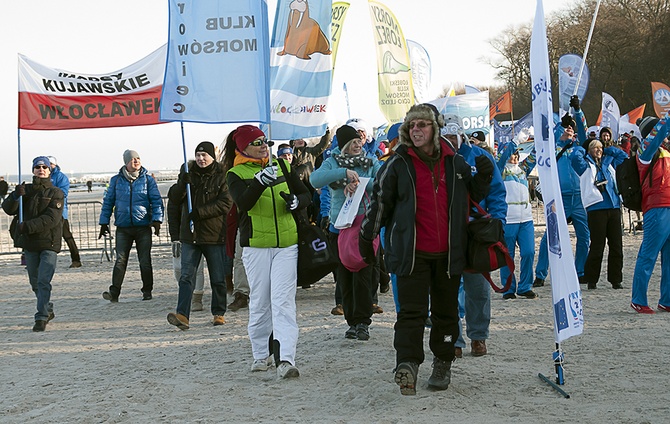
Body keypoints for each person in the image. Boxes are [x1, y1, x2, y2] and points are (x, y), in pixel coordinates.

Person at [359, 104, 493, 395]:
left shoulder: (455, 163)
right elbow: (379, 204)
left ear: (435, 128)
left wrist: (482, 178)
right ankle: (407, 364)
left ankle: (443, 362)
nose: (416, 129)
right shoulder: (397, 164)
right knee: (411, 313)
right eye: (412, 125)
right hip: (410, 254)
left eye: (423, 124)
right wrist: (366, 237)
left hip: (448, 254)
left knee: (446, 314)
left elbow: (472, 198)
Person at [227, 125, 311, 379]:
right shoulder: (235, 173)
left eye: (266, 141)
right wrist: (258, 183)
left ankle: (285, 358)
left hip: (287, 244)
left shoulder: (283, 167)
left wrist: (298, 202)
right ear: (243, 148)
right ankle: (260, 354)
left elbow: (306, 194)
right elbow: (244, 203)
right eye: (257, 142)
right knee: (261, 301)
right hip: (256, 247)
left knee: (283, 301)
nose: (264, 145)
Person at [443, 114, 507, 359]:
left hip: (477, 232)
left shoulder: (481, 156)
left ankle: (479, 336)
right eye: (445, 137)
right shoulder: (436, 160)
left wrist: (497, 221)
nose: (450, 141)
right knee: (447, 290)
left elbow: (497, 191)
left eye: (453, 136)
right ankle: (453, 340)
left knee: (478, 288)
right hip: (447, 232)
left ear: (461, 135)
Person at [311, 124, 382, 341]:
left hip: (364, 226)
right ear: (343, 146)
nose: (358, 146)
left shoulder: (371, 162)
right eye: (353, 144)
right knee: (344, 277)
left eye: (359, 143)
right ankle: (351, 322)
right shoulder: (332, 162)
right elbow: (315, 180)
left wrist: (360, 184)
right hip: (339, 228)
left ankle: (363, 322)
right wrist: (343, 174)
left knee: (363, 275)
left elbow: (382, 183)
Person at [167, 142, 232, 329]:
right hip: (191, 236)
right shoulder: (188, 173)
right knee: (187, 276)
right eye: (198, 155)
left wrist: (200, 212)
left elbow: (225, 203)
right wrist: (182, 183)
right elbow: (174, 197)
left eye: (205, 155)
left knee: (217, 277)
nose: (201, 159)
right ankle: (182, 314)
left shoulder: (222, 176)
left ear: (212, 157)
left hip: (213, 235)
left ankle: (218, 313)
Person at [534, 95, 590, 288]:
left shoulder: (579, 147)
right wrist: (561, 125)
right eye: (567, 127)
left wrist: (578, 110)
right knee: (550, 236)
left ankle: (579, 271)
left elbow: (585, 135)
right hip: (560, 198)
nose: (569, 129)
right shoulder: (553, 147)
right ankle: (541, 274)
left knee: (585, 237)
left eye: (571, 127)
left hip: (579, 199)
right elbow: (548, 138)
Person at [2, 157, 63, 331]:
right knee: (34, 282)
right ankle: (47, 307)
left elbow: (51, 219)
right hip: (30, 243)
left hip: (49, 243)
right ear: (33, 170)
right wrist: (15, 196)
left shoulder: (56, 192)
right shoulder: (25, 190)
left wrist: (27, 226)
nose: (41, 169)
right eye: (38, 166)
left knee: (44, 280)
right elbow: (8, 209)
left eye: (44, 166)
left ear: (50, 171)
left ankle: (41, 317)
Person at [99, 150, 163, 302]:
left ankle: (147, 291)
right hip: (123, 227)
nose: (136, 161)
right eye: (133, 159)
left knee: (144, 260)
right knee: (120, 260)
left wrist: (157, 220)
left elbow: (156, 200)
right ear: (126, 162)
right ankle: (114, 292)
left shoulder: (148, 180)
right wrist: (103, 222)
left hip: (142, 227)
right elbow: (108, 202)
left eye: (138, 158)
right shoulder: (116, 180)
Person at [570, 139, 627, 290]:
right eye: (595, 148)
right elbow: (574, 157)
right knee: (597, 245)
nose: (598, 150)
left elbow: (623, 156)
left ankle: (616, 280)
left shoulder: (609, 162)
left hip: (613, 206)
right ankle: (591, 279)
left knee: (616, 245)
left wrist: (608, 149)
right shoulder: (585, 165)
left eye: (600, 148)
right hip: (596, 208)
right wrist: (584, 147)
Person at [630, 115, 670, 314]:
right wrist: (667, 117)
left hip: (668, 207)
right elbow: (660, 132)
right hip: (656, 208)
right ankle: (639, 299)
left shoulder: (666, 151)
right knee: (648, 255)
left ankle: (667, 300)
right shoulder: (645, 150)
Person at [497, 130, 537, 299]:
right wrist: (515, 141)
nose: (514, 156)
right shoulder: (499, 171)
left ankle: (525, 286)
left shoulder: (522, 170)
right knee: (508, 256)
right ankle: (508, 288)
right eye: (512, 154)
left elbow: (537, 155)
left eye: (516, 154)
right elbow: (503, 155)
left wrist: (548, 136)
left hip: (526, 219)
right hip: (509, 220)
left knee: (528, 252)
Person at [167, 183, 207, 311]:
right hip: (180, 236)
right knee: (178, 268)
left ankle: (197, 297)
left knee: (198, 268)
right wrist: (174, 238)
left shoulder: (199, 190)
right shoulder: (175, 193)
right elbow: (172, 217)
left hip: (197, 235)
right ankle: (185, 291)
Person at [47, 156, 82, 268]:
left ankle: (76, 259)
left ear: (55, 165)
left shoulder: (61, 177)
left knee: (67, 236)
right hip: (44, 213)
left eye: (51, 164)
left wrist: (48, 195)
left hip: (59, 212)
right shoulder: (45, 175)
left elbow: (63, 193)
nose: (49, 166)